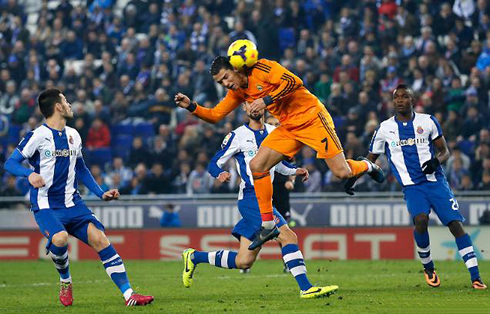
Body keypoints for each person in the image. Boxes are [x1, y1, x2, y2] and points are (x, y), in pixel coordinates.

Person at [175, 53, 385, 250]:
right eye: (220, 82)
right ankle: (267, 224)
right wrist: (191, 106)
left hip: (312, 118)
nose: (225, 84)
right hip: (289, 127)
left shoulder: (263, 68)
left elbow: (295, 82)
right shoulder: (238, 91)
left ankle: (368, 165)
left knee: (343, 172)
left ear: (237, 68)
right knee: (257, 165)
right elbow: (215, 115)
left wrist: (265, 100)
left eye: (226, 77)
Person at [4, 89, 154, 306]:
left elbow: (81, 169)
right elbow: (10, 163)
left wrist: (101, 192)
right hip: (46, 205)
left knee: (101, 239)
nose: (69, 104)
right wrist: (30, 174)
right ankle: (66, 281)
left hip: (73, 203)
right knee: (60, 238)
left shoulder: (74, 135)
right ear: (57, 106)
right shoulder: (37, 136)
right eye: (65, 100)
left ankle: (129, 295)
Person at [181, 101, 338, 299]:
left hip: (265, 198)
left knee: (244, 261)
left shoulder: (275, 132)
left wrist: (294, 171)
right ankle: (306, 287)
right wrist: (219, 174)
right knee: (288, 236)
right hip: (250, 198)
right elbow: (214, 163)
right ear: (245, 109)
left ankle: (194, 257)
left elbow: (276, 164)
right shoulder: (237, 135)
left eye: (256, 103)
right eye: (248, 104)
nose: (254, 107)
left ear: (264, 107)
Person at [345, 84, 486, 290]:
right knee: (420, 220)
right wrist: (353, 178)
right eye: (396, 97)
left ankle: (475, 276)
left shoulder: (428, 121)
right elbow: (370, 161)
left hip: (435, 182)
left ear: (413, 100)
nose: (400, 100)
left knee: (455, 225)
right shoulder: (384, 128)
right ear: (393, 102)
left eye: (404, 96)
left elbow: (444, 151)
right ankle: (428, 267)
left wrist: (437, 162)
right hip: (412, 186)